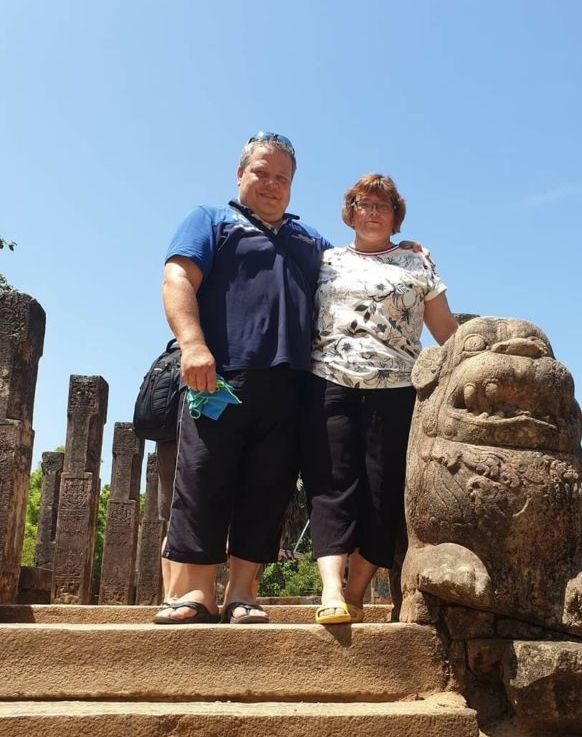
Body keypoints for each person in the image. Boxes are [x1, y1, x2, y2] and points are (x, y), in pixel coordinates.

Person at [154, 132, 331, 624]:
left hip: (291, 385)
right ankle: (193, 594)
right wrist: (193, 344)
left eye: (282, 178)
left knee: (268, 489)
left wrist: (399, 251)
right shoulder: (211, 220)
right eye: (261, 172)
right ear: (240, 174)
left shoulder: (310, 241)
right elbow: (177, 278)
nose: (271, 184)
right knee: (203, 479)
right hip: (219, 376)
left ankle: (243, 593)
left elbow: (357, 275)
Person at [302, 173, 458, 625]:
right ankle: (331, 590)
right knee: (331, 486)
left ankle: (355, 593)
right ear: (349, 211)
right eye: (363, 203)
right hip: (328, 381)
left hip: (395, 389)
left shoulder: (418, 266)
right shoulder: (325, 260)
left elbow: (445, 330)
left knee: (381, 492)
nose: (372, 211)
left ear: (396, 215)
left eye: (382, 205)